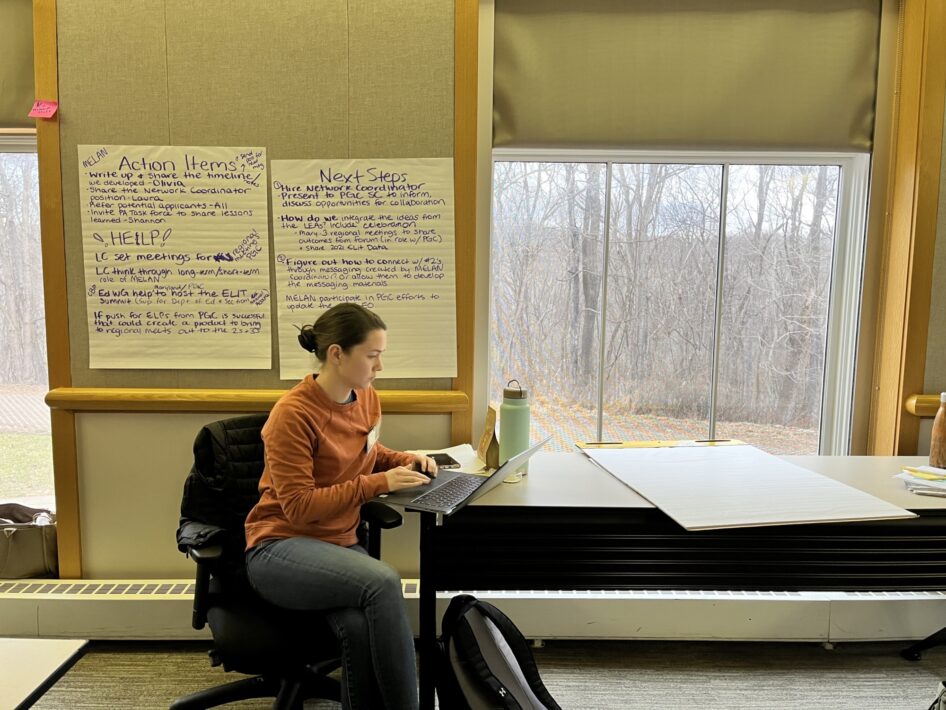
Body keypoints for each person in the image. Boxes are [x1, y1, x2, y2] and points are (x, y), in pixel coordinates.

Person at [245, 302, 436, 710]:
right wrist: (377, 484)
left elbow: (364, 452)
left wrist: (401, 459)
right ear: (337, 353)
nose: (379, 367)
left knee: (359, 625)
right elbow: (297, 507)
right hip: (279, 547)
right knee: (383, 581)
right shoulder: (292, 415)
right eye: (372, 356)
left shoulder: (365, 398)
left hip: (337, 545)